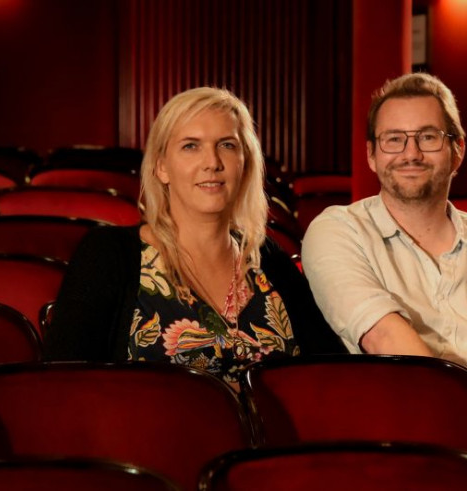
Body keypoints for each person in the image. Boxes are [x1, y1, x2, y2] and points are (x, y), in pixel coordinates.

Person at [43, 87, 345, 388]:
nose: (212, 162)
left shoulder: (269, 259)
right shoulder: (108, 255)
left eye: (227, 145)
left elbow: (332, 376)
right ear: (162, 167)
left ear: (245, 163)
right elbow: (65, 387)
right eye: (190, 146)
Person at [301, 73, 467, 381]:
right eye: (394, 139)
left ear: (458, 150)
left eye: (428, 137)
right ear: (371, 154)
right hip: (399, 406)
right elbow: (384, 339)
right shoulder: (338, 230)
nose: (411, 154)